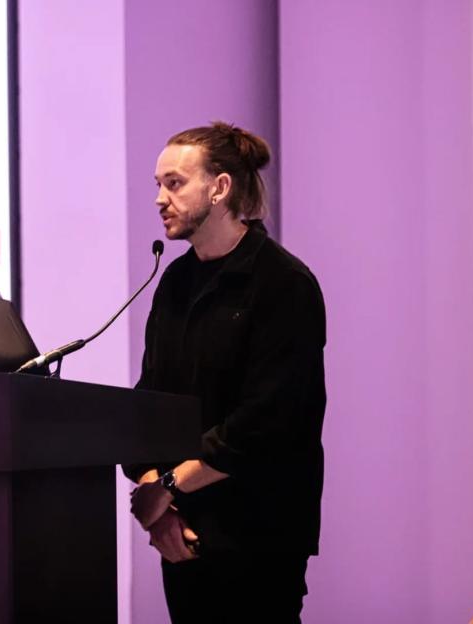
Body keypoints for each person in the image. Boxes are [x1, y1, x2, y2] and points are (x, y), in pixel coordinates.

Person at [125, 122, 326, 623]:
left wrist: (163, 488)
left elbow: (265, 423)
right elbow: (151, 400)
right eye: (158, 184)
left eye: (174, 183)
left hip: (257, 536)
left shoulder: (284, 283)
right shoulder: (175, 280)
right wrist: (160, 505)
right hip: (184, 531)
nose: (159, 198)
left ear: (219, 188)